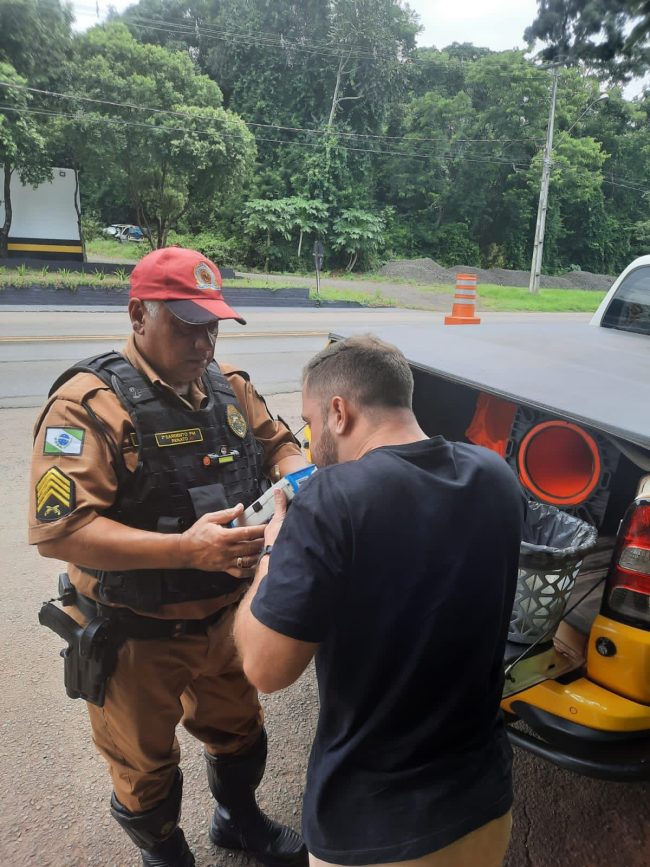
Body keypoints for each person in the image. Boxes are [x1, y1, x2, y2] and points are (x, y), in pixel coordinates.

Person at [29, 246, 308, 867]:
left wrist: (291, 487)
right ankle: (167, 855)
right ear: (137, 315)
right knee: (145, 767)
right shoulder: (87, 406)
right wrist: (185, 549)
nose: (202, 340)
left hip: (226, 620)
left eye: (211, 324)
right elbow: (60, 530)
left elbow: (282, 444)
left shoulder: (230, 387)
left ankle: (239, 820)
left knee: (240, 735)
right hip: (137, 636)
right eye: (184, 323)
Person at [234, 335, 526, 867]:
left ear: (339, 412)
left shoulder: (330, 501)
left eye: (309, 420)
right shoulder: (496, 477)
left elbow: (265, 669)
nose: (308, 437)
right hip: (483, 800)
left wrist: (275, 549)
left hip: (375, 828)